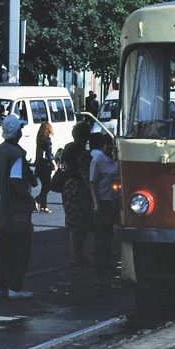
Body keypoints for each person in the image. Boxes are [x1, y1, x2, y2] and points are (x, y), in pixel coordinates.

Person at [0, 115, 38, 299]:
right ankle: (15, 287)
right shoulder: (17, 154)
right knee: (19, 248)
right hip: (15, 208)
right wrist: (29, 200)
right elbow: (16, 181)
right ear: (15, 132)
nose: (21, 132)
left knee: (2, 247)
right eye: (20, 129)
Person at [61, 120, 94, 267]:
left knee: (73, 221)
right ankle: (77, 254)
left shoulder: (68, 149)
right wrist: (93, 193)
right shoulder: (82, 153)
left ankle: (75, 254)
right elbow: (86, 175)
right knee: (82, 222)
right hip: (79, 188)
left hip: (67, 186)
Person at [88, 133, 120, 283]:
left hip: (113, 200)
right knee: (101, 233)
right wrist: (96, 202)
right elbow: (93, 182)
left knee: (109, 233)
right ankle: (100, 265)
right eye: (106, 145)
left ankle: (107, 263)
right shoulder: (98, 160)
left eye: (110, 145)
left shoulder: (114, 160)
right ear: (102, 146)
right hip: (102, 200)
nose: (109, 148)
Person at [34, 121, 55, 213]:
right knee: (48, 185)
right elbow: (49, 154)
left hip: (39, 164)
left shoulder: (39, 139)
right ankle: (37, 200)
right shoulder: (47, 140)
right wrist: (54, 164)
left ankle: (44, 206)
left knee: (44, 185)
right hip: (46, 165)